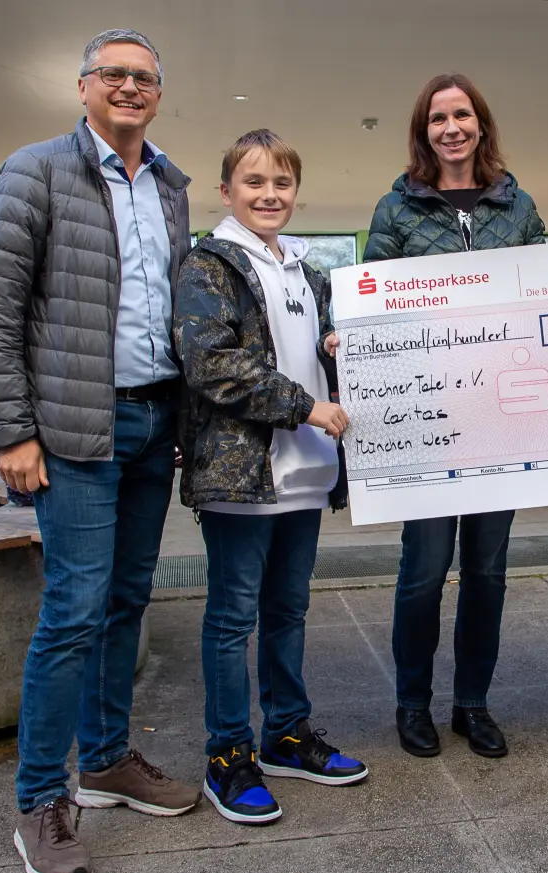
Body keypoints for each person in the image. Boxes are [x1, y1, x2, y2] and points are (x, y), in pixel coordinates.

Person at [0, 29, 196, 873]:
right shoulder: (37, 170)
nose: (130, 87)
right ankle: (39, 803)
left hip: (150, 427)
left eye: (144, 78)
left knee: (127, 601)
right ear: (84, 86)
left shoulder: (169, 185)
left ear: (157, 94)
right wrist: (9, 433)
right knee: (72, 613)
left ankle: (104, 762)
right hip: (71, 432)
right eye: (115, 75)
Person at [175, 129, 368, 826]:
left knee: (287, 613)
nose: (269, 195)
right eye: (254, 182)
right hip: (241, 476)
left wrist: (343, 349)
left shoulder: (307, 273)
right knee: (232, 621)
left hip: (307, 474)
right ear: (227, 190)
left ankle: (285, 734)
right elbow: (212, 364)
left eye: (281, 183)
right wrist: (306, 404)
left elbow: (315, 358)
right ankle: (228, 756)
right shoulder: (209, 264)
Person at [362, 73, 546, 759]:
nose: (451, 128)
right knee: (423, 572)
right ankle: (413, 703)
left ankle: (474, 703)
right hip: (427, 420)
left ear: (480, 123)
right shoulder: (398, 208)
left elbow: (542, 294)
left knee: (489, 574)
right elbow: (371, 295)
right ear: (424, 131)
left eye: (462, 114)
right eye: (438, 117)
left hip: (500, 418)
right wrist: (340, 331)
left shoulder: (518, 207)